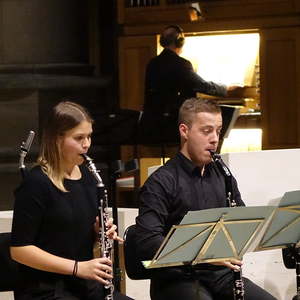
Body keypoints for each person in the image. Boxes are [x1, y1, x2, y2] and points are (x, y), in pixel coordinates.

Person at [135, 98, 277, 300]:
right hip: (177, 279)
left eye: (218, 131)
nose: (214, 139)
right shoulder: (161, 181)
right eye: (206, 131)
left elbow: (241, 223)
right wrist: (205, 254)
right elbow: (147, 241)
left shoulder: (223, 174)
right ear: (184, 131)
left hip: (221, 276)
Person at [10, 101, 125, 300]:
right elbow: (19, 250)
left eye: (89, 136)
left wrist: (99, 235)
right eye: (79, 138)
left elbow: (79, 240)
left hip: (82, 286)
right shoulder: (36, 183)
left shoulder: (90, 179)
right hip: (45, 290)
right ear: (57, 139)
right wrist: (77, 268)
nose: (87, 144)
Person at [140, 24, 240, 145]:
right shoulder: (180, 64)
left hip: (153, 124)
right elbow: (202, 86)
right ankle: (205, 159)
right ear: (180, 41)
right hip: (173, 125)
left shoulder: (152, 63)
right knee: (214, 124)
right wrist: (226, 88)